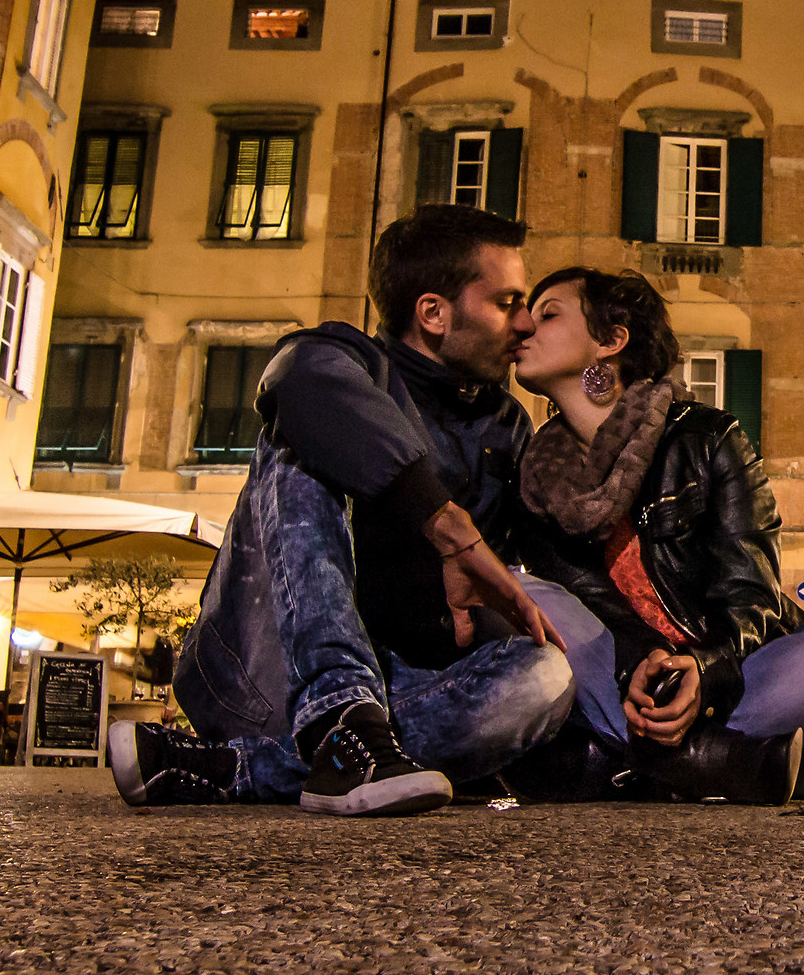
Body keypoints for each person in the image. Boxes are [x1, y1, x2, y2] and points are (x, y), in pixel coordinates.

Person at [114, 204, 573, 814]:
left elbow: (535, 573)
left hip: (390, 694)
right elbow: (296, 376)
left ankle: (240, 769)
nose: (523, 324)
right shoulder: (343, 361)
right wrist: (446, 523)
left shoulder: (506, 424)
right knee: (304, 436)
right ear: (433, 313)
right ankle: (341, 718)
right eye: (507, 303)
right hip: (259, 673)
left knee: (546, 675)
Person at [500, 268, 804, 804]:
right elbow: (583, 616)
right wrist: (638, 669)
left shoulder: (707, 438)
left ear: (612, 340)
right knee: (520, 593)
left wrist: (706, 671)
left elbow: (750, 591)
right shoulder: (534, 479)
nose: (524, 327)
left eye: (549, 314)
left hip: (731, 676)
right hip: (624, 684)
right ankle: (715, 764)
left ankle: (635, 766)